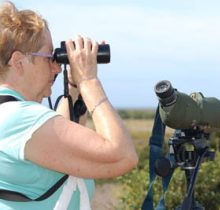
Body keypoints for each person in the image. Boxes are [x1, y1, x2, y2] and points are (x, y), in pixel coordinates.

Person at [0, 1, 138, 209]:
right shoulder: (18, 119)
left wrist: (74, 84)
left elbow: (62, 144)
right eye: (49, 57)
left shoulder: (11, 117)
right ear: (19, 62)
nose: (56, 67)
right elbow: (121, 156)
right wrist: (89, 81)